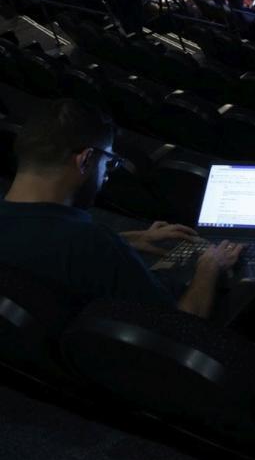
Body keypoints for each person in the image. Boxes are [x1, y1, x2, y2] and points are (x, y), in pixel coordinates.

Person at [0, 100, 238, 317]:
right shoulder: (91, 244)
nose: (106, 176)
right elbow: (183, 324)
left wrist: (126, 238)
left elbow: (38, 242)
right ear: (85, 160)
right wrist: (209, 266)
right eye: (109, 162)